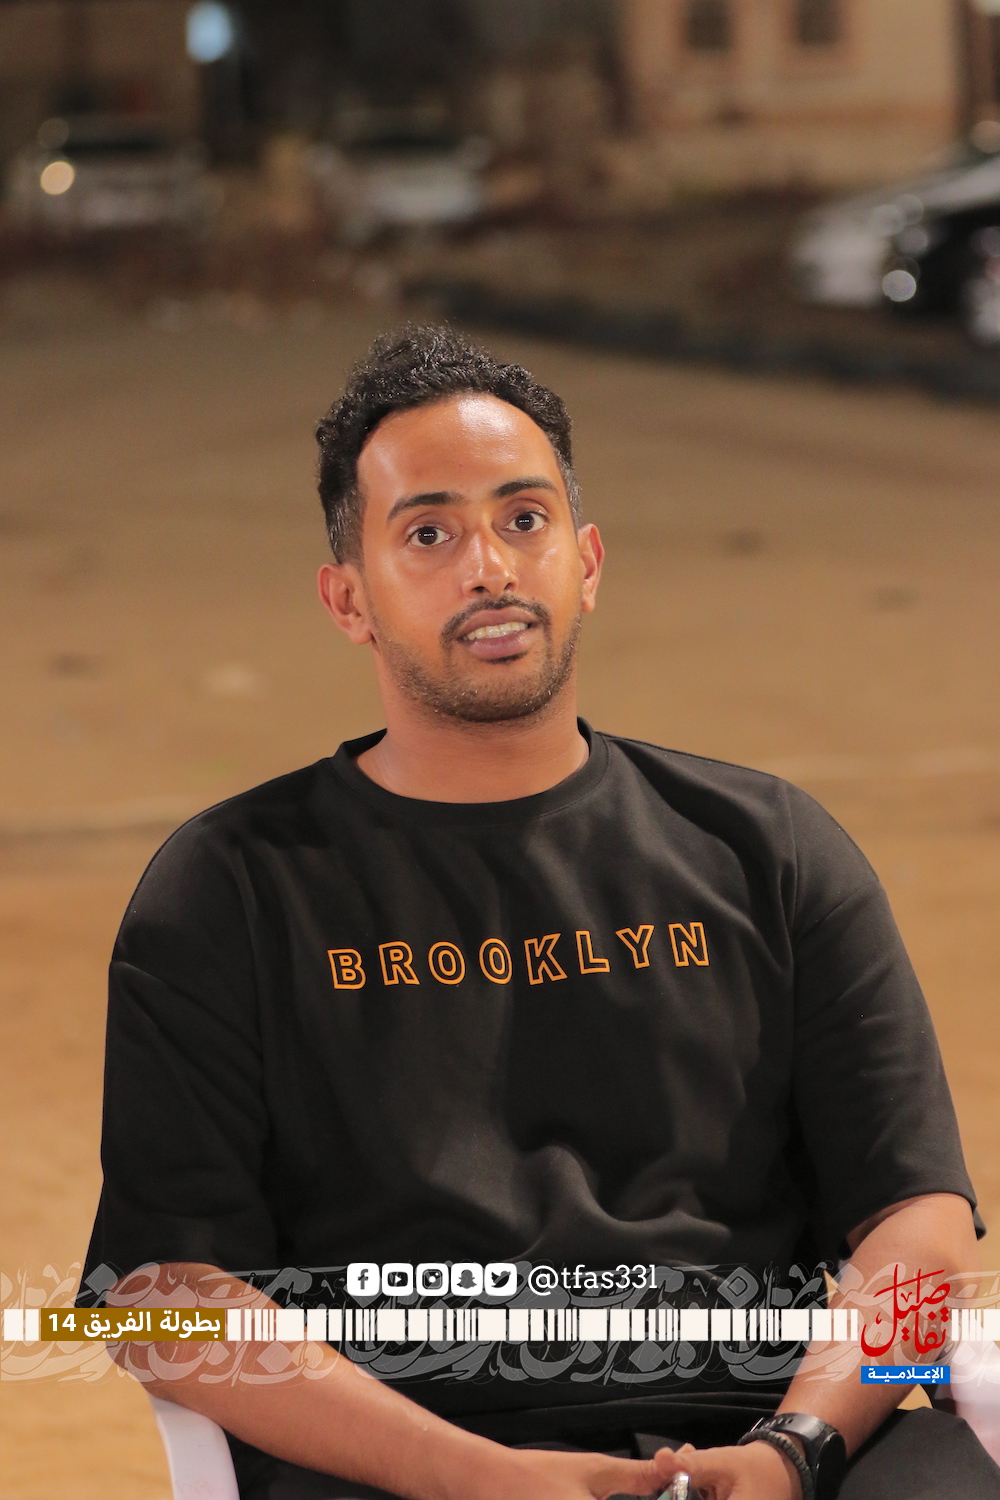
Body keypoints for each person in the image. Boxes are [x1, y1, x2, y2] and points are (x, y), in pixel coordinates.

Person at [78, 326, 999, 1500]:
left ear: (588, 561)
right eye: (429, 534)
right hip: (406, 1465)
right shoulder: (231, 890)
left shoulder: (768, 850)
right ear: (348, 599)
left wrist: (796, 1451)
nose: (490, 568)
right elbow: (162, 1300)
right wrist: (480, 1477)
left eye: (524, 519)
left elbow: (918, 1224)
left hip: (766, 1442)